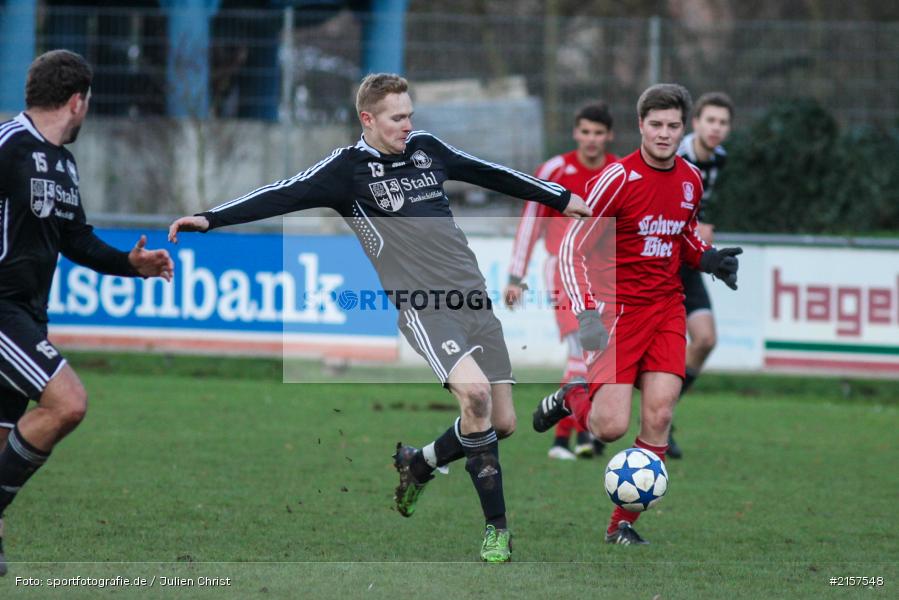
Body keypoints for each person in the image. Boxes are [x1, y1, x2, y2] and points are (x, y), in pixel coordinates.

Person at [168, 73, 591, 562]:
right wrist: (211, 217)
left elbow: (490, 172)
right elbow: (281, 192)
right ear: (367, 119)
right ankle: (497, 530)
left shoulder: (427, 149)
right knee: (474, 398)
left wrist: (559, 198)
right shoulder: (346, 171)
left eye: (410, 114)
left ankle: (419, 463)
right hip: (423, 307)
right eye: (397, 117)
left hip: (473, 299)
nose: (408, 124)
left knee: (501, 422)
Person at [531, 83, 741, 545]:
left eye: (673, 126)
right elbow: (572, 249)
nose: (665, 134)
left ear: (682, 128)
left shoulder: (691, 179)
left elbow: (681, 236)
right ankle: (572, 397)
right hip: (617, 313)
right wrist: (586, 313)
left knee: (661, 414)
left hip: (667, 308)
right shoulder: (616, 180)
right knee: (609, 427)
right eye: (656, 125)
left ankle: (620, 524)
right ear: (640, 126)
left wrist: (706, 258)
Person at [0, 50, 174, 575]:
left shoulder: (63, 163)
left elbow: (75, 238)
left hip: (30, 314)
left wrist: (130, 264)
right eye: (88, 103)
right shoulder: (8, 144)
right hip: (2, 310)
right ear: (78, 100)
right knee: (69, 402)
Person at [504, 102, 616, 461]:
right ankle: (567, 440)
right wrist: (515, 276)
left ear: (609, 136)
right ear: (575, 133)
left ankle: (577, 438)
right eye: (585, 131)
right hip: (564, 270)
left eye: (598, 133)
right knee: (580, 352)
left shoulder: (618, 172)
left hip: (605, 273)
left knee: (598, 357)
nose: (592, 139)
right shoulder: (555, 169)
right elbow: (530, 222)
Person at [668, 92, 733, 459]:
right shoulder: (677, 157)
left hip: (690, 262)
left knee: (705, 339)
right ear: (695, 124)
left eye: (723, 122)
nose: (716, 128)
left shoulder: (718, 160)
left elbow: (700, 206)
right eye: (710, 120)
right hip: (662, 263)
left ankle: (665, 412)